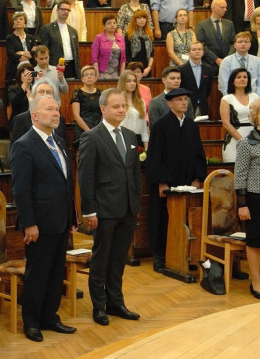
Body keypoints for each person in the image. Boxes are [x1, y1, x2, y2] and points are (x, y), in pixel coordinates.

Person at [11, 95, 78, 342]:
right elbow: (21, 189)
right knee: (37, 273)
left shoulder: (58, 141)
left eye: (57, 109)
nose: (56, 113)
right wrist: (29, 223)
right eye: (49, 109)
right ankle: (31, 321)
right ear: (35, 116)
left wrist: (72, 217)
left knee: (55, 271)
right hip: (38, 223)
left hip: (61, 220)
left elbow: (65, 183)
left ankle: (50, 316)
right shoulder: (24, 145)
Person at [78, 88, 142, 326]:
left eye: (123, 106)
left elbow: (134, 173)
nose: (121, 110)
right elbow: (86, 178)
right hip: (103, 210)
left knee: (118, 259)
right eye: (116, 107)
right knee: (101, 259)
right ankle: (99, 306)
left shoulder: (129, 135)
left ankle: (116, 303)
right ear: (103, 109)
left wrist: (135, 203)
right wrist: (89, 211)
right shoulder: (92, 137)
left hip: (127, 209)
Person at [146, 87, 207, 272]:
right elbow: (155, 155)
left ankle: (183, 255)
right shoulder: (161, 125)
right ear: (170, 103)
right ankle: (160, 256)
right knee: (162, 218)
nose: (183, 103)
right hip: (167, 182)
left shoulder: (191, 125)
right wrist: (161, 181)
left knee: (185, 219)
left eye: (185, 100)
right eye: (179, 100)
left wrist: (198, 177)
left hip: (188, 181)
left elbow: (198, 153)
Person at [234, 98, 260, 299]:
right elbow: (240, 175)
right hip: (254, 197)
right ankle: (256, 282)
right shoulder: (246, 142)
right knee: (255, 241)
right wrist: (242, 205)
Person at [221, 68, 259, 162]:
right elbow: (226, 124)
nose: (242, 79)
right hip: (235, 140)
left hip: (256, 138)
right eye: (239, 77)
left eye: (245, 77)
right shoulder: (227, 99)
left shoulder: (255, 97)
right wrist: (243, 141)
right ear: (232, 81)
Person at [37, 0, 81, 79]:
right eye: (63, 9)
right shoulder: (47, 29)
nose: (66, 12)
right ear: (57, 10)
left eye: (68, 10)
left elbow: (77, 53)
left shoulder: (73, 31)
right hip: (54, 66)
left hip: (71, 67)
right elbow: (44, 51)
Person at [196, 0, 236, 76]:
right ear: (213, 8)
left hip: (227, 63)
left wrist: (227, 59)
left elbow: (233, 43)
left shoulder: (229, 24)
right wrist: (216, 59)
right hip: (209, 63)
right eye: (222, 7)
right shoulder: (202, 25)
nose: (225, 10)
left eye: (226, 7)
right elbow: (202, 45)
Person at [219, 31, 260, 96]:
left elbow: (259, 84)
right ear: (235, 45)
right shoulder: (226, 61)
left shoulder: (257, 61)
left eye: (246, 42)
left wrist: (256, 99)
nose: (243, 44)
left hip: (254, 99)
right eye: (240, 42)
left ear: (250, 44)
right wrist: (232, 100)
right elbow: (223, 85)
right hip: (232, 98)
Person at [179, 41, 213, 117]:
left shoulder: (208, 69)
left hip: (203, 105)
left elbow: (208, 89)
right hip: (187, 105)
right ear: (189, 53)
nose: (197, 51)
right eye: (194, 50)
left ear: (203, 52)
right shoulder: (182, 69)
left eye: (199, 49)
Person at [117, 70, 149, 148]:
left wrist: (146, 148)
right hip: (122, 139)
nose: (132, 84)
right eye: (128, 81)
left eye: (134, 81)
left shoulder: (141, 102)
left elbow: (144, 129)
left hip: (138, 140)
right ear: (123, 83)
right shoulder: (117, 101)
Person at [5, 11, 37, 85]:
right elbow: (11, 55)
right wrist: (28, 55)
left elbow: (34, 53)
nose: (18, 21)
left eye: (21, 19)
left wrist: (21, 53)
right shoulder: (9, 38)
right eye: (16, 20)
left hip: (31, 67)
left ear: (25, 24)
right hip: (15, 68)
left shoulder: (31, 38)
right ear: (13, 24)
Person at [71, 65, 102, 141]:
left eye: (92, 74)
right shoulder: (77, 93)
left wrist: (100, 129)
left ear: (95, 78)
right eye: (86, 75)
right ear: (82, 79)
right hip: (82, 128)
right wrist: (89, 131)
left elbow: (105, 113)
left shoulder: (101, 93)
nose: (89, 77)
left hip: (99, 128)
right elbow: (76, 116)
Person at [91, 14, 126, 80]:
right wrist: (96, 74)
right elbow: (94, 58)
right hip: (102, 73)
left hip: (117, 73)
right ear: (104, 26)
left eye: (114, 23)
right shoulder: (99, 38)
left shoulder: (121, 38)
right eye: (109, 23)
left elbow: (123, 59)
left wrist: (122, 75)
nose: (112, 25)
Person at [8, 64, 35, 132]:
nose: (28, 76)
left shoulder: (36, 89)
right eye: (25, 74)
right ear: (19, 76)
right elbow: (15, 103)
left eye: (30, 73)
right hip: (19, 123)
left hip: (35, 121)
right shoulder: (13, 89)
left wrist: (40, 81)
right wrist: (25, 84)